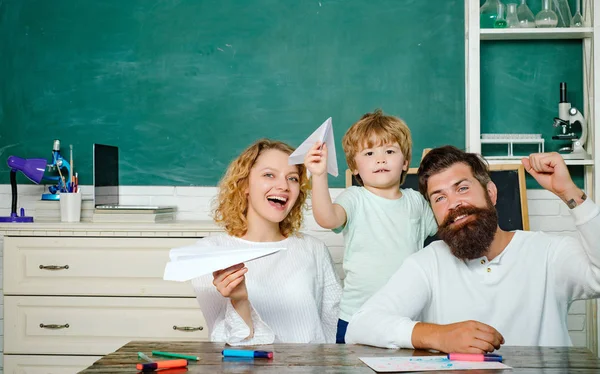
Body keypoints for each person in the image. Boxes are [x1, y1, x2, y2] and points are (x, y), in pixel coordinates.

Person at [346, 146, 600, 353]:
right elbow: (360, 325)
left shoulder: (547, 253)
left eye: (462, 188)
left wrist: (570, 192)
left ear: (491, 193)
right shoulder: (428, 263)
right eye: (439, 198)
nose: (454, 204)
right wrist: (440, 335)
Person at [187, 139, 341, 345]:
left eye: (292, 178)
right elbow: (223, 343)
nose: (283, 186)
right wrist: (239, 300)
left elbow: (332, 333)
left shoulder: (313, 249)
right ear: (244, 185)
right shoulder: (210, 252)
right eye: (269, 175)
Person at [304, 110, 437, 343]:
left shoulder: (416, 201)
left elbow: (447, 230)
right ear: (354, 167)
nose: (380, 159)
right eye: (369, 153)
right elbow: (327, 218)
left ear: (405, 162)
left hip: (407, 316)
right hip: (356, 315)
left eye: (390, 151)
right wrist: (319, 175)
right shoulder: (354, 198)